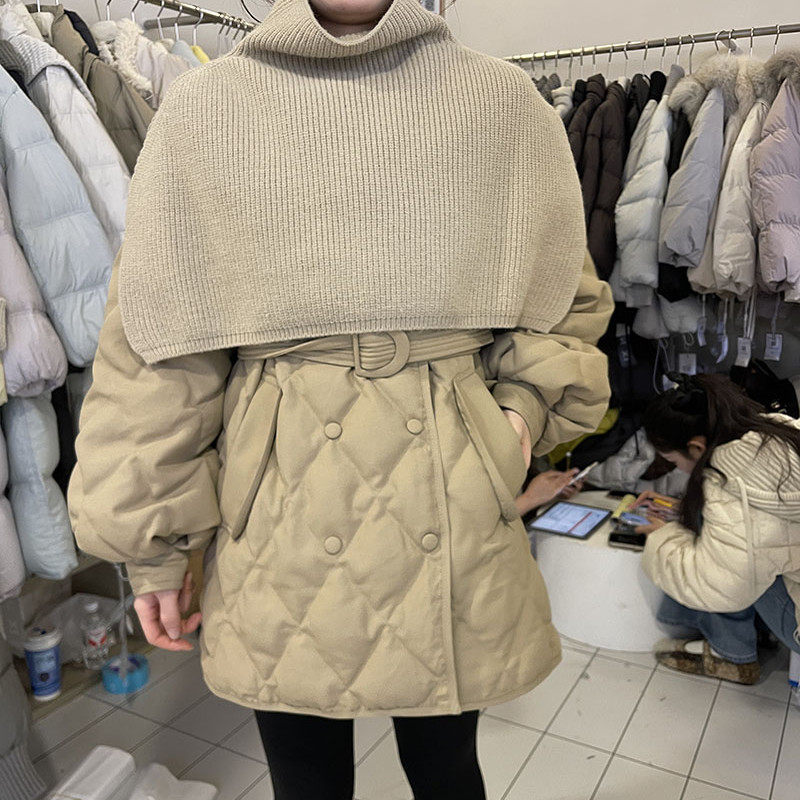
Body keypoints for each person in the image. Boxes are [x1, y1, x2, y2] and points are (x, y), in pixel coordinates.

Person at [66, 1, 612, 798]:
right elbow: (159, 348)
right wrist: (152, 547)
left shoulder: (501, 102)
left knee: (445, 768)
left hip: (453, 487)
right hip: (279, 499)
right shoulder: (206, 108)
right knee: (306, 779)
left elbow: (560, 295)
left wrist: (521, 412)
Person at [632, 373, 800, 685]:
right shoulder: (778, 430)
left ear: (696, 447)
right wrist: (684, 510)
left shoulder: (730, 484)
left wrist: (660, 534)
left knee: (734, 563)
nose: (677, 469)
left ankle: (730, 655)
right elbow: (769, 518)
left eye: (673, 461)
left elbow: (717, 586)